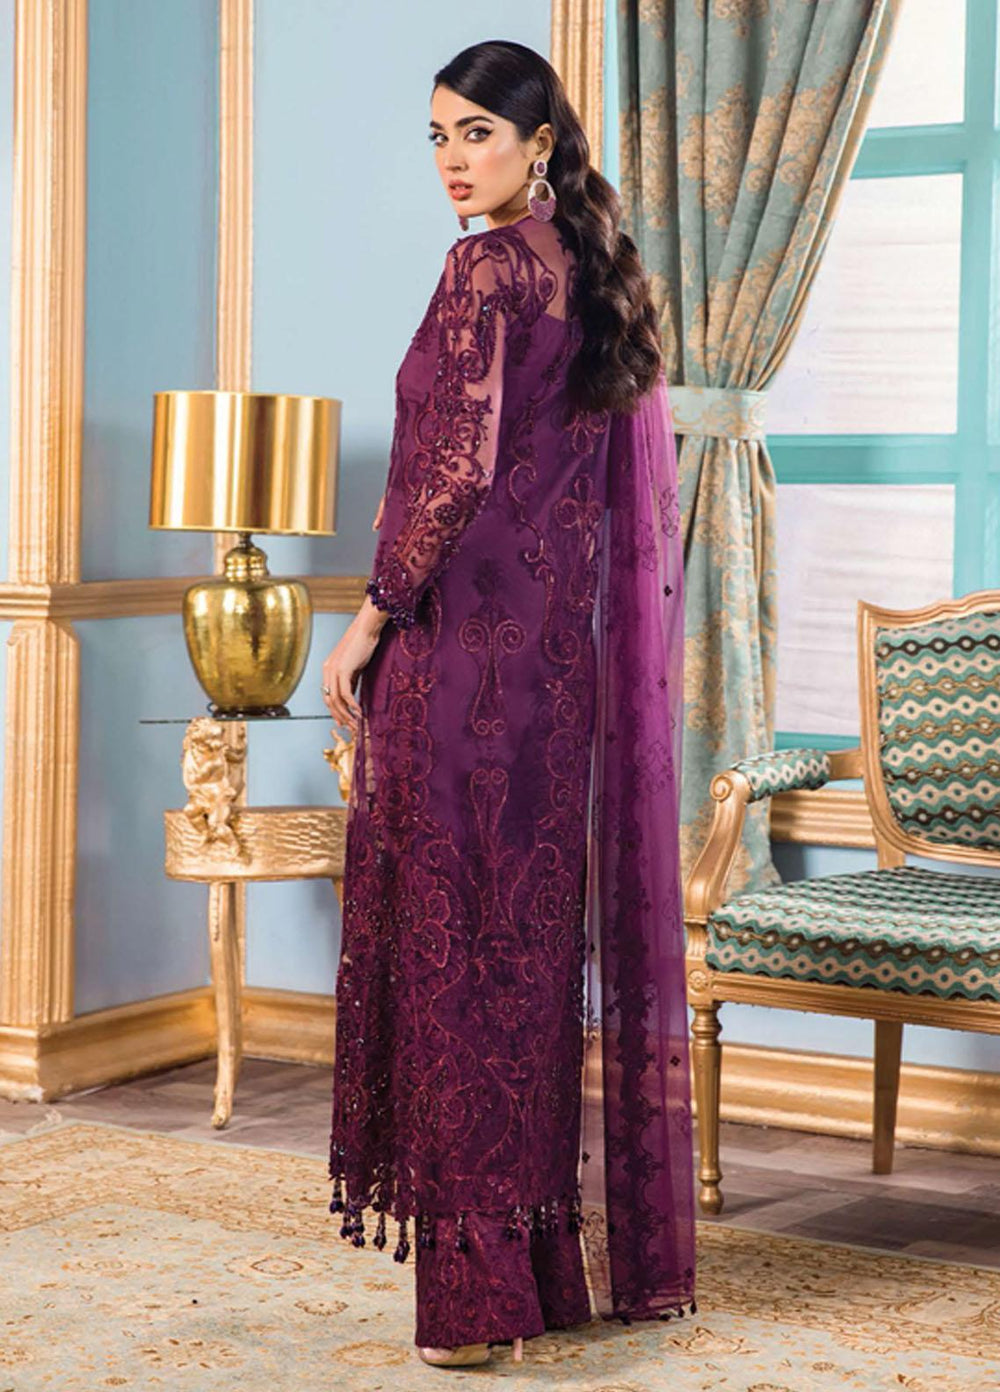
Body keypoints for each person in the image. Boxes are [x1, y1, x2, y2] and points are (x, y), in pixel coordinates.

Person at [321, 38, 694, 1369]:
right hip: (550, 680)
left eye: (476, 132)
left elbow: (450, 472)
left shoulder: (484, 268)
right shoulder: (590, 267)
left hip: (460, 665)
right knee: (518, 964)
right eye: (437, 135)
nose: (452, 160)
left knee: (455, 969)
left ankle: (473, 1306)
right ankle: (537, 1274)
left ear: (539, 142)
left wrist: (367, 621)